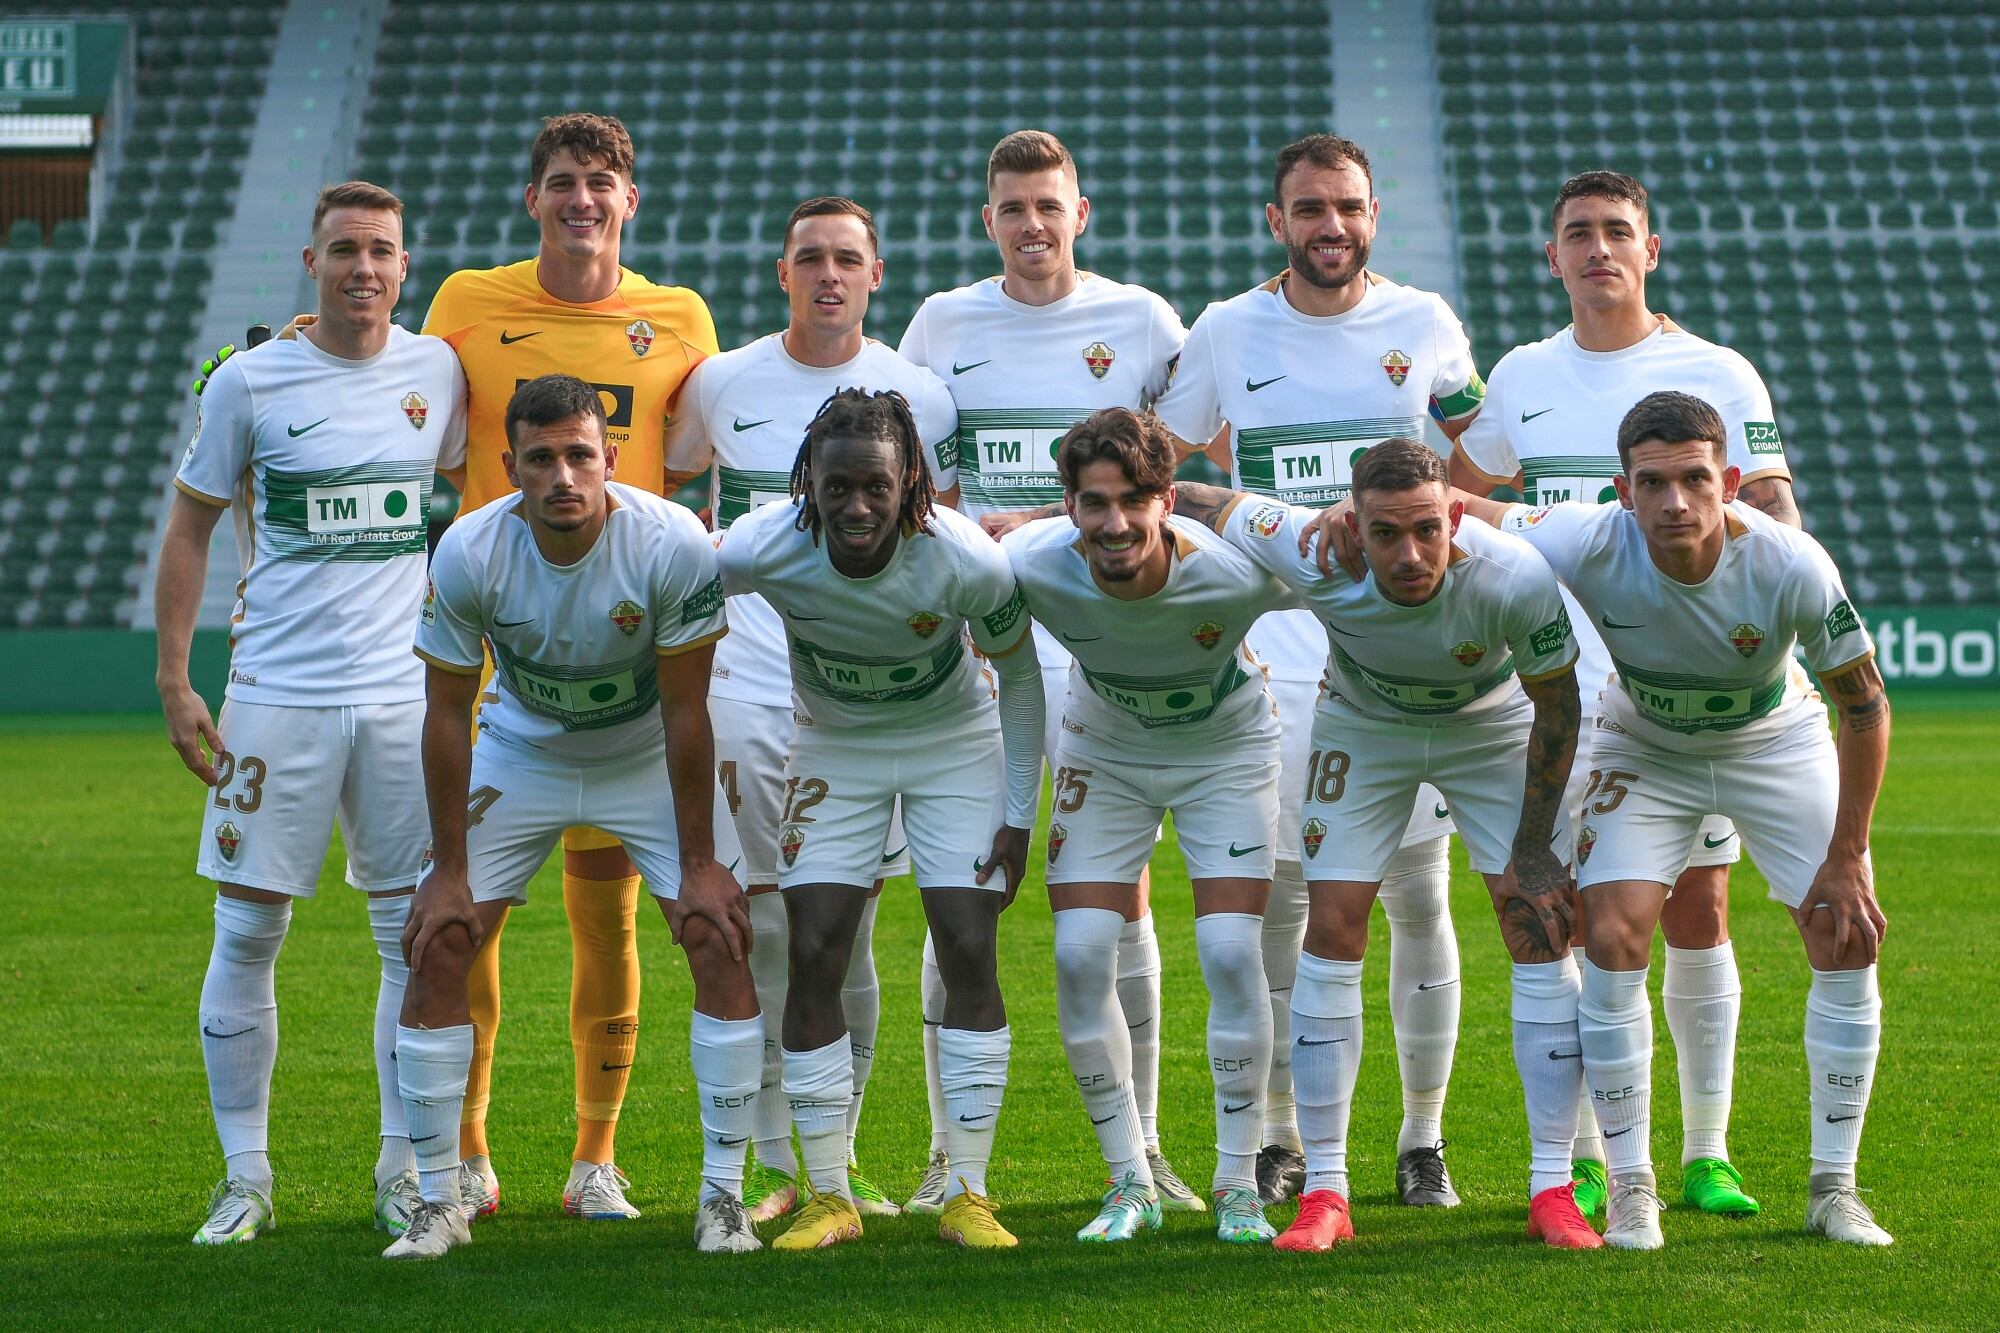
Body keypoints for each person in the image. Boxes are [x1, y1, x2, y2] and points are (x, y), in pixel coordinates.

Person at [1454, 390, 1890, 1249]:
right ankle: (1630, 1187)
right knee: (1611, 934)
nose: (1675, 502)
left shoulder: (1791, 563)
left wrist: (1850, 854)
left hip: (1773, 732)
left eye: (1696, 479)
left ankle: (1834, 1187)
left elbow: (1866, 708)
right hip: (1645, 740)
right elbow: (1474, 506)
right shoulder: (1585, 536)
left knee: (1846, 930)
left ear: (1729, 480)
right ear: (1623, 489)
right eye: (1653, 482)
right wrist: (1356, 510)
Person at [1445, 169, 1801, 1218]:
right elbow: (1460, 487)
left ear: (1650, 250)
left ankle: (1706, 1150)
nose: (1596, 248)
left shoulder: (1714, 372)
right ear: (1549, 257)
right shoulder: (1519, 374)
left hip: (1684, 689)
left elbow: (1772, 504)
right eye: (1576, 234)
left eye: (1616, 231)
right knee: (1579, 920)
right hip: (1560, 690)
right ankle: (1595, 1151)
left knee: (1697, 908)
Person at [1151, 133, 1480, 1207]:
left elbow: (1471, 467)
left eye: (1345, 206)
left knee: (1416, 894)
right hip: (1275, 664)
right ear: (1274, 220)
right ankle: (1284, 1136)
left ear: (1371, 215)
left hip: (1400, 656)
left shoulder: (1424, 322)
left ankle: (1420, 1139)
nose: (1327, 226)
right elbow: (1161, 464)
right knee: (1283, 903)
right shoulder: (1226, 328)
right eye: (1307, 208)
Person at [1175, 441, 1592, 1251]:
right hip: (1366, 722)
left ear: (1456, 516)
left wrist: (1535, 844)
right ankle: (1325, 1191)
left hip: (1488, 721)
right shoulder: (1309, 545)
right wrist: (1039, 518)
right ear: (1352, 526)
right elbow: (1184, 494)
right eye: (1386, 533)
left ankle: (1553, 1187)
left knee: (1538, 922)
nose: (1409, 554)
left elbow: (1559, 705)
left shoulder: (1512, 575)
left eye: (1427, 530)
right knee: (1331, 927)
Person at [419, 112, 720, 1220]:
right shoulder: (463, 304)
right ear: (532, 199)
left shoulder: (677, 318)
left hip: (627, 656)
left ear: (627, 201)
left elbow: (693, 453)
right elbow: (397, 381)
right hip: (503, 650)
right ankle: (464, 1151)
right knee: (470, 913)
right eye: (561, 183)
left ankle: (595, 1158)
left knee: (610, 916)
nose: (580, 200)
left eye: (599, 183)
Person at [156, 181, 467, 1244]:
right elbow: (191, 528)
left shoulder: (439, 372)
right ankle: (245, 1175)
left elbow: (487, 503)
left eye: (381, 249)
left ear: (403, 265)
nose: (363, 268)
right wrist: (174, 677)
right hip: (274, 699)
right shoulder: (251, 382)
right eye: (344, 249)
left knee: (407, 938)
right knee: (247, 928)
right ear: (311, 261)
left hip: (400, 699)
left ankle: (401, 1166)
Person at [388, 374, 756, 1260]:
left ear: (610, 459)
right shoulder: (469, 550)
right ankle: (439, 1201)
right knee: (442, 939)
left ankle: (725, 1197)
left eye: (579, 454)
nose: (563, 474)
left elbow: (687, 713)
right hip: (525, 748)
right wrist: (446, 866)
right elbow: (445, 713)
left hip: (639, 752)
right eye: (542, 457)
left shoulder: (669, 544)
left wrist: (703, 861)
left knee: (715, 931)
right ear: (508, 464)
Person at [898, 128, 1196, 1211]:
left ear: (1081, 214)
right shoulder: (941, 324)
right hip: (982, 650)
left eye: (1049, 206)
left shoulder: (1141, 322)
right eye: (1012, 208)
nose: (1032, 225)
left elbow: (1169, 477)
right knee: (958, 890)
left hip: (1112, 645)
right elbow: (912, 490)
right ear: (990, 222)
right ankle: (945, 1156)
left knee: (1120, 898)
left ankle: (1147, 1146)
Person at [661, 194, 959, 1221]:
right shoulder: (721, 382)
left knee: (850, 929)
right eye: (807, 258)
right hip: (746, 688)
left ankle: (836, 1153)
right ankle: (772, 1162)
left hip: (865, 700)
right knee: (772, 928)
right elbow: (671, 508)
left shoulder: (918, 391)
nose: (826, 274)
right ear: (781, 272)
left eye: (845, 258)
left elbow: (939, 538)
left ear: (876, 274)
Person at [716, 389, 1043, 1251]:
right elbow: (672, 576)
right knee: (814, 944)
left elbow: (1022, 678)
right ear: (807, 486)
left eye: (877, 487)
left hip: (953, 743)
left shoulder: (965, 558)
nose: (857, 507)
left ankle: (967, 1190)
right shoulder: (766, 547)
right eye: (837, 488)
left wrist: (1017, 810)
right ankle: (830, 1194)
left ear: (911, 485)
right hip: (837, 746)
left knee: (968, 944)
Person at [1002, 409, 1298, 1245]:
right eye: (1093, 502)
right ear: (1066, 508)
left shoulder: (1239, 573)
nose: (1115, 523)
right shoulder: (1028, 562)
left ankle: (1238, 1183)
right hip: (1107, 746)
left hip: (1227, 747)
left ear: (1169, 499)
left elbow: (1338, 564)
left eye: (1135, 500)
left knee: (1234, 951)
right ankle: (1130, 1178)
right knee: (1079, 951)